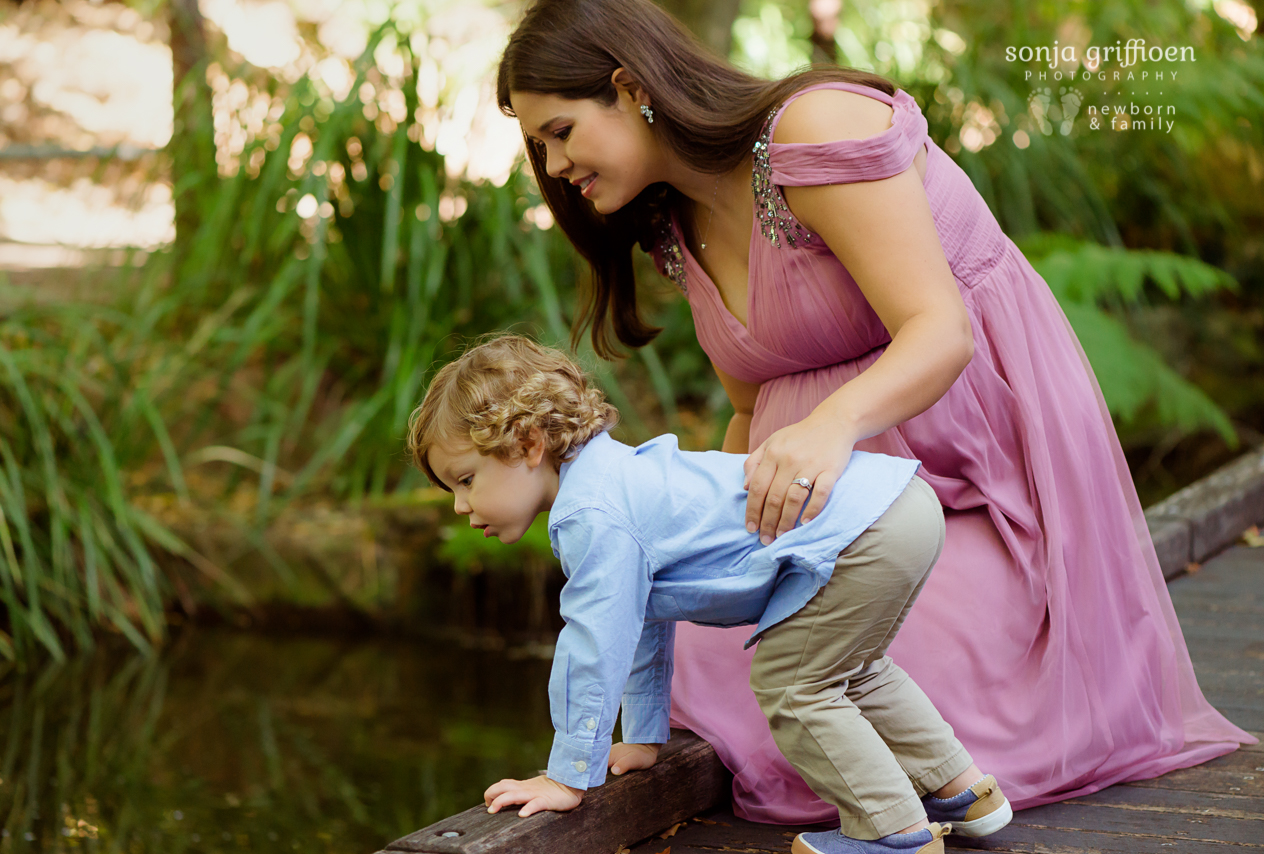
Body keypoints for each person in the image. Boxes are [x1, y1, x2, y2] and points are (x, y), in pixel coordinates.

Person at [494, 0, 1256, 825]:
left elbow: (941, 332)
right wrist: (710, 534)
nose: (553, 161)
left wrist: (829, 425)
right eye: (538, 144)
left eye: (560, 131)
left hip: (968, 479)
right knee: (701, 647)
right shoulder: (672, 225)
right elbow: (749, 410)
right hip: (824, 510)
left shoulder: (813, 130)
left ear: (630, 87)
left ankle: (921, 808)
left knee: (849, 669)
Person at [406, 334, 1014, 854]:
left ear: (528, 444)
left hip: (860, 528)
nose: (462, 506)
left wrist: (569, 777)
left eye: (466, 480)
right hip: (897, 507)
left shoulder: (591, 513)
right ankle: (963, 792)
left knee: (793, 684)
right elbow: (642, 618)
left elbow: (595, 645)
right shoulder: (619, 480)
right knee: (852, 671)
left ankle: (891, 832)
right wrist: (645, 737)